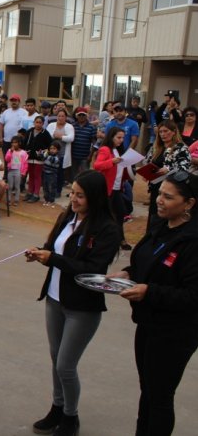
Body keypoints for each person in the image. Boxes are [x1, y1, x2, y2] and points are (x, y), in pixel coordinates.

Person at [25, 170, 120, 436]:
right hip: (54, 299)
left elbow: (92, 268)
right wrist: (38, 252)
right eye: (73, 193)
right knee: (56, 359)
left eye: (80, 195)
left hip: (82, 307)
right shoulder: (68, 216)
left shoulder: (107, 229)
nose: (74, 200)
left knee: (66, 364)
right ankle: (57, 407)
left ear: (96, 198)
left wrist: (51, 259)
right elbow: (53, 247)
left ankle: (70, 416)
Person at [111, 171, 198, 436]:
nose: (159, 200)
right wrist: (129, 272)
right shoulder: (161, 226)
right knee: (147, 389)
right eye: (160, 194)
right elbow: (147, 262)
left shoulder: (193, 241)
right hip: (149, 323)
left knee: (159, 396)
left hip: (175, 331)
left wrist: (149, 291)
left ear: (189, 204)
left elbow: (192, 296)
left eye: (168, 197)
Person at [143, 121, 191, 227]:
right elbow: (148, 161)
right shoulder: (156, 147)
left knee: (165, 217)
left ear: (174, 132)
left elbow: (184, 168)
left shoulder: (181, 148)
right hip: (156, 186)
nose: (163, 134)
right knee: (154, 215)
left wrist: (169, 170)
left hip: (171, 189)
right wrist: (147, 173)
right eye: (160, 132)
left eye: (166, 131)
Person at [94, 127, 132, 250]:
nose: (121, 140)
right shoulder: (105, 149)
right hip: (107, 189)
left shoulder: (118, 150)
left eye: (122, 138)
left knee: (120, 214)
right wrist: (112, 161)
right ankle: (100, 239)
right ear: (111, 137)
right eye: (118, 137)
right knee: (105, 215)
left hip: (116, 188)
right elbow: (97, 165)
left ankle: (119, 239)